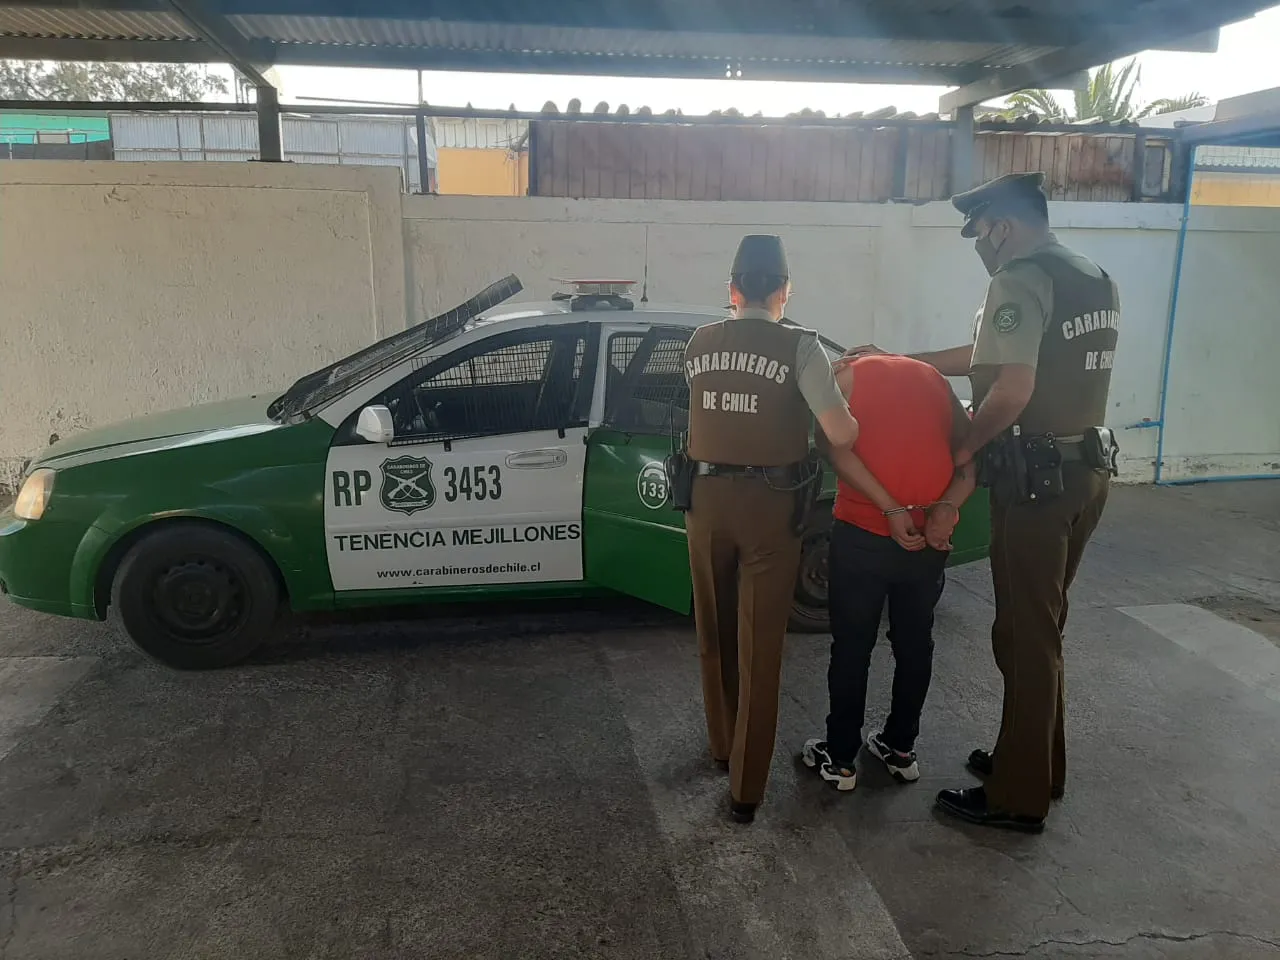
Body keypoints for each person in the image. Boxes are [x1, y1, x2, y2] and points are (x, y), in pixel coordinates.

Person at [843, 172, 1121, 832]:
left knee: (1023, 634)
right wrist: (903, 359)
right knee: (1044, 626)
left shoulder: (1020, 278)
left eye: (979, 235)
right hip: (1086, 473)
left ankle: (1017, 797)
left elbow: (1011, 387)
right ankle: (1037, 764)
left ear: (1001, 226)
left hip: (1036, 485)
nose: (980, 248)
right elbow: (989, 353)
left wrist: (965, 446)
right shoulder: (1093, 276)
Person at [681, 234, 860, 824]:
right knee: (760, 647)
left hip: (704, 502)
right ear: (785, 291)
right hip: (770, 508)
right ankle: (745, 789)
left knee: (714, 630)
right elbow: (841, 433)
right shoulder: (802, 347)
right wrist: (842, 390)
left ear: (732, 290)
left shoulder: (699, 342)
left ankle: (721, 743)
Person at [801, 353, 977, 791]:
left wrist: (890, 509)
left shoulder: (846, 377)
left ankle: (841, 759)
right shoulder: (934, 379)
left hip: (863, 535)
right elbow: (968, 458)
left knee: (853, 646)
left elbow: (834, 450)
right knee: (915, 643)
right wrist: (946, 510)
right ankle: (900, 748)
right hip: (928, 539)